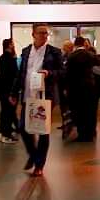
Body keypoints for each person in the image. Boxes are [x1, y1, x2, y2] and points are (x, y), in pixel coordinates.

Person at [10, 23, 63, 176]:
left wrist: (49, 73)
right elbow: (21, 74)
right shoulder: (26, 51)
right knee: (22, 127)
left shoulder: (54, 52)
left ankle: (39, 165)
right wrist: (14, 93)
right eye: (41, 33)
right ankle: (34, 155)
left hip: (45, 97)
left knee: (42, 131)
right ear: (33, 34)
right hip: (28, 95)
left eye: (46, 33)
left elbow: (62, 72)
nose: (44, 35)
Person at [65, 37, 97, 142]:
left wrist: (66, 88)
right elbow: (99, 61)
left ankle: (82, 134)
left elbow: (68, 73)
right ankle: (90, 134)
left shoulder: (71, 56)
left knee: (78, 111)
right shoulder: (89, 54)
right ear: (84, 43)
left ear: (75, 44)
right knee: (88, 111)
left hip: (75, 88)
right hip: (89, 87)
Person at [0, 39, 19, 144]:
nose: (14, 45)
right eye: (12, 44)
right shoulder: (9, 58)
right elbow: (13, 75)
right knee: (8, 112)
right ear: (9, 45)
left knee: (6, 112)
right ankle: (6, 134)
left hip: (3, 90)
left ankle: (5, 133)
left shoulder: (2, 57)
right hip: (8, 90)